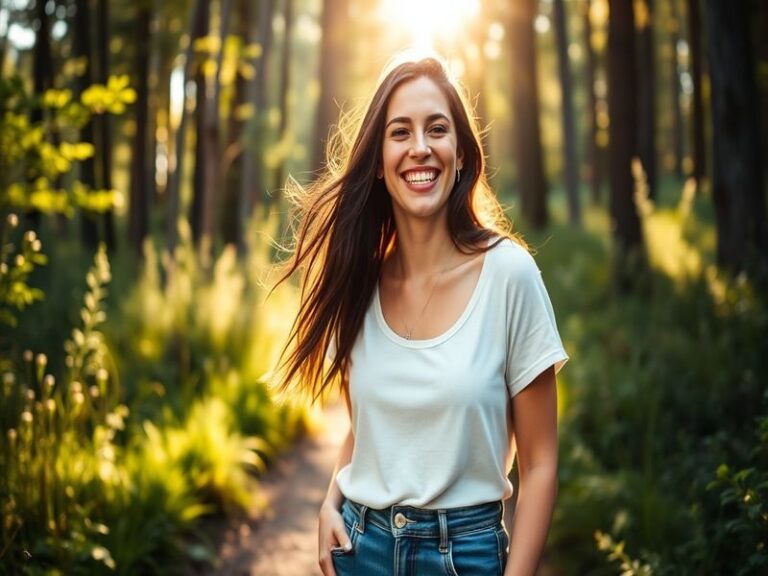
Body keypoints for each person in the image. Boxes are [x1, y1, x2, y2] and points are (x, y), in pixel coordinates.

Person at [275, 51, 569, 576]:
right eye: (400, 132)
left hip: (466, 555)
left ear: (460, 155)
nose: (420, 148)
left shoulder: (509, 275)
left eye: (437, 129)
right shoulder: (361, 281)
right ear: (380, 161)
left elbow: (542, 464)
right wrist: (328, 500)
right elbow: (372, 429)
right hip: (360, 548)